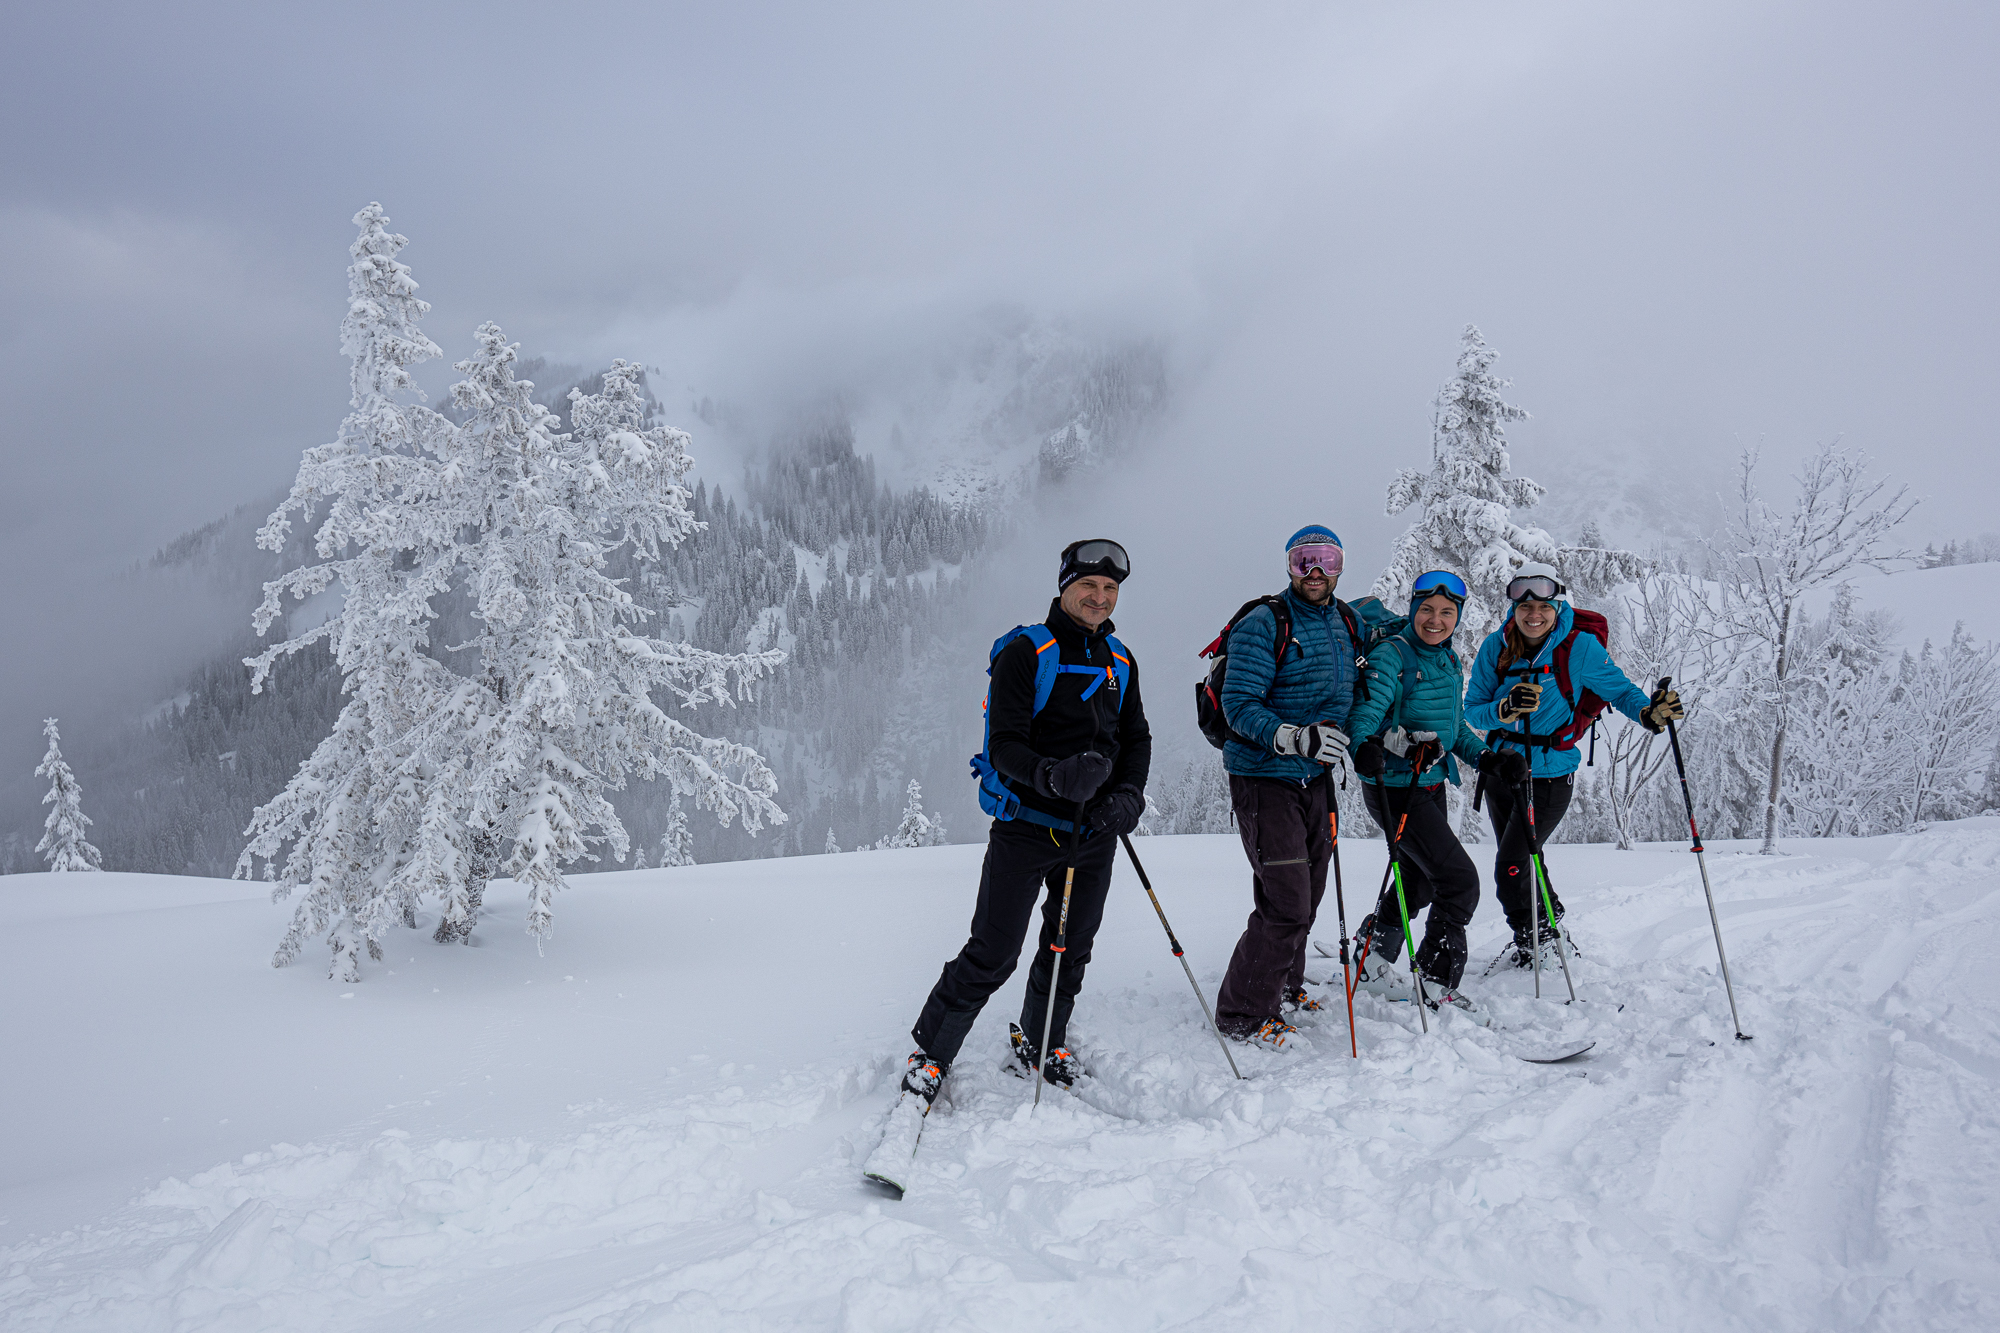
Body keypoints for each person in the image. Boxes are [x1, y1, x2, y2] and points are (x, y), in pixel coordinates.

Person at [897, 539, 1152, 1107]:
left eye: (1110, 589)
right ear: (1064, 587)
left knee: (1070, 945)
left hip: (1094, 833)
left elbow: (1136, 738)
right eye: (1089, 585)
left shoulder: (1121, 662)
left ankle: (1041, 1041)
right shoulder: (1025, 653)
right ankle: (931, 1053)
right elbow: (1004, 744)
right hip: (1027, 826)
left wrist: (1129, 795)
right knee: (994, 949)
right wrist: (1055, 777)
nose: (1100, 597)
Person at [1463, 562, 1683, 967]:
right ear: (1513, 608)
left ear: (1557, 605)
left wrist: (1649, 714)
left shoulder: (1578, 647)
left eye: (1543, 607)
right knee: (1529, 859)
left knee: (1511, 866)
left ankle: (1539, 940)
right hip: (1500, 773)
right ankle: (1546, 934)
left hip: (1548, 775)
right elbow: (1473, 712)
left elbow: (1619, 690)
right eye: (1524, 607)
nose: (1533, 615)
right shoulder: (1496, 647)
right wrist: (1505, 709)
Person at [1343, 571, 1526, 1014]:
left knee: (1419, 879)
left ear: (1457, 617)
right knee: (1459, 882)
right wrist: (1365, 746)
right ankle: (1434, 980)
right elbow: (1364, 716)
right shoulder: (1392, 655)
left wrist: (1487, 759)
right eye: (1427, 610)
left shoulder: (1446, 659)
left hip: (1430, 782)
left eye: (1447, 613)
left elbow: (1454, 727)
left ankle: (1372, 956)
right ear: (1412, 609)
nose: (1435, 620)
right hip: (1396, 789)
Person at [1212, 526, 1360, 1050]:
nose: (1315, 571)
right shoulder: (1264, 622)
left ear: (1340, 566)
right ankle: (1242, 1013)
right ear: (1289, 566)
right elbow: (1238, 706)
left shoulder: (1347, 622)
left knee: (1309, 891)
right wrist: (1294, 737)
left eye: (1326, 559)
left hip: (1315, 777)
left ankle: (1284, 985)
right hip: (1263, 777)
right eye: (1304, 561)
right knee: (1287, 901)